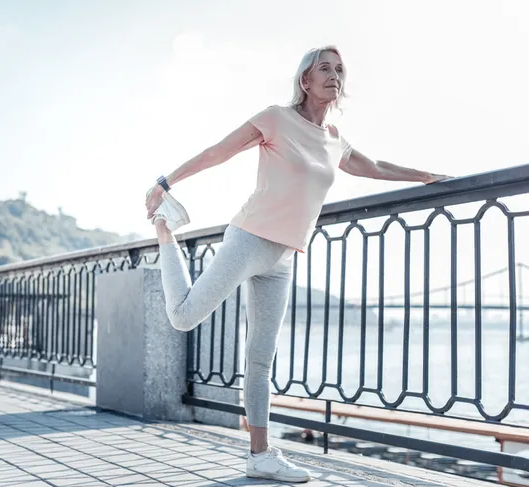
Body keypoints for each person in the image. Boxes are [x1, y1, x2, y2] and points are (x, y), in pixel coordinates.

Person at [144, 45, 450, 484]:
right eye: (324, 67)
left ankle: (260, 455)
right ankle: (165, 233)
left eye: (340, 69)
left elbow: (375, 166)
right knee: (183, 317)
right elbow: (218, 152)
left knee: (261, 359)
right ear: (305, 80)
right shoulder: (276, 119)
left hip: (284, 257)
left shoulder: (334, 140)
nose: (334, 75)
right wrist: (164, 182)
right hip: (248, 239)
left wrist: (424, 176)